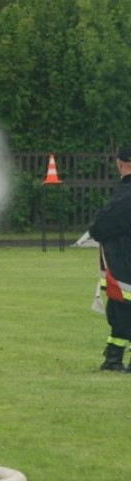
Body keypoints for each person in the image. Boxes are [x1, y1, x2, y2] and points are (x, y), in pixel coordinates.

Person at [88, 145, 131, 373]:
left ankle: (114, 360)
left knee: (122, 311)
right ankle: (113, 359)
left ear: (120, 163)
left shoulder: (126, 194)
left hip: (125, 265)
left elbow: (101, 227)